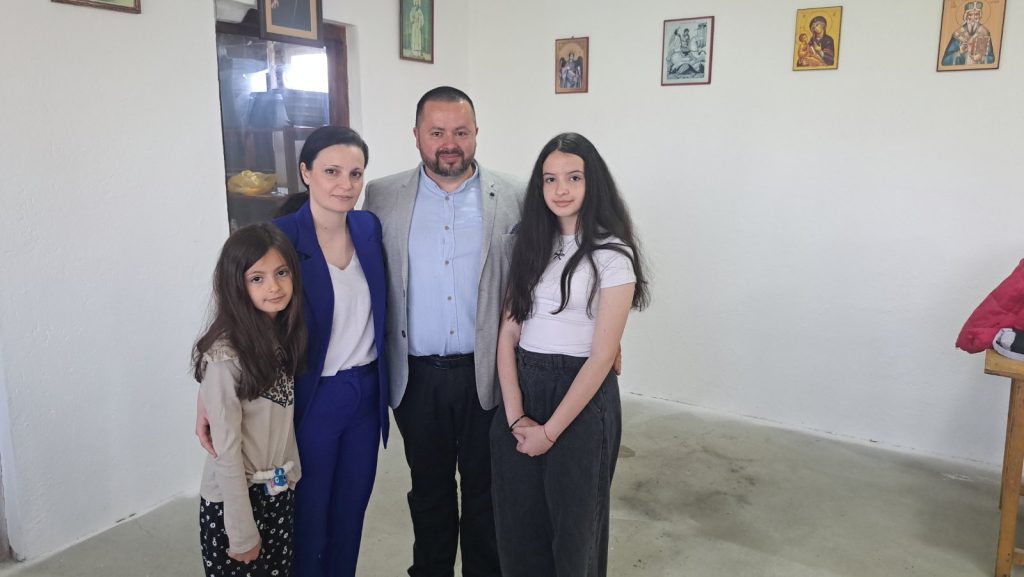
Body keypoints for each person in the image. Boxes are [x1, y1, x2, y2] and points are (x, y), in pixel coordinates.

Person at [199, 126, 389, 577]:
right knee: (307, 519)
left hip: (365, 393)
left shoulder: (368, 228)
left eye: (355, 173)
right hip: (312, 396)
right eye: (331, 172)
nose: (345, 184)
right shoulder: (279, 235)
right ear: (305, 173)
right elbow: (236, 310)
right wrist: (205, 393)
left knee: (350, 515)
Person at [362, 86, 525, 577]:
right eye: (436, 132)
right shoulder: (381, 196)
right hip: (417, 378)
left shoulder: (515, 195)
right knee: (429, 492)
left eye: (460, 131)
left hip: (488, 374)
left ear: (476, 133)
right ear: (416, 136)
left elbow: (548, 268)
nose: (449, 143)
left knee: (486, 494)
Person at [489, 132, 649, 577]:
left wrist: (549, 432)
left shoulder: (612, 255)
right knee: (518, 532)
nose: (561, 189)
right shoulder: (529, 244)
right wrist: (516, 417)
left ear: (592, 182)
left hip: (581, 397)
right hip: (522, 387)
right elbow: (508, 333)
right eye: (550, 179)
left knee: (575, 537)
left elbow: (602, 357)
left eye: (574, 177)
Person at [193, 223, 307, 577]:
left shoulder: (281, 336)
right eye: (257, 278)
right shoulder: (225, 357)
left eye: (281, 273)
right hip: (235, 504)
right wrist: (241, 533)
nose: (274, 287)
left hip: (276, 492)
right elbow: (226, 450)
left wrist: (291, 473)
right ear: (235, 285)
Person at [941, 1, 995, 66]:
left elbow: (991, 59)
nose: (973, 18)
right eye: (970, 15)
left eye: (976, 14)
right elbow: (945, 61)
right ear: (966, 16)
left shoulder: (984, 33)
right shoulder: (958, 34)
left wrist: (981, 58)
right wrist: (959, 53)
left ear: (980, 16)